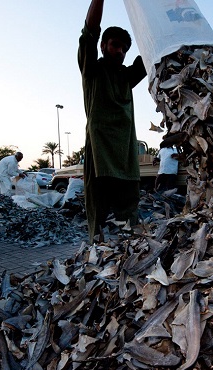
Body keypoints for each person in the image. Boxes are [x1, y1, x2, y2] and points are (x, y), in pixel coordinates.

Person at [79, 0, 147, 242]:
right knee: (99, 223)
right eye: (116, 45)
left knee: (128, 225)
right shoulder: (92, 70)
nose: (120, 52)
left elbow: (152, 50)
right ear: (103, 45)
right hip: (100, 161)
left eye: (125, 49)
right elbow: (89, 31)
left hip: (127, 163)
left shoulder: (127, 76)